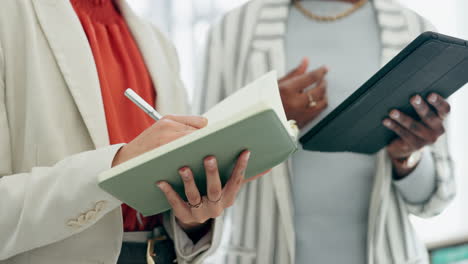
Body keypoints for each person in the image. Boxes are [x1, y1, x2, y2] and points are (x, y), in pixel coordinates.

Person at [0, 0, 267, 263]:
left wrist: (192, 219)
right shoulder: (9, 18)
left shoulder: (157, 42)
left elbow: (172, 209)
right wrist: (115, 167)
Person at [200, 0, 455, 263]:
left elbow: (433, 201)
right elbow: (199, 166)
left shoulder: (414, 29)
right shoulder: (233, 31)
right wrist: (266, 117)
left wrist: (407, 156)